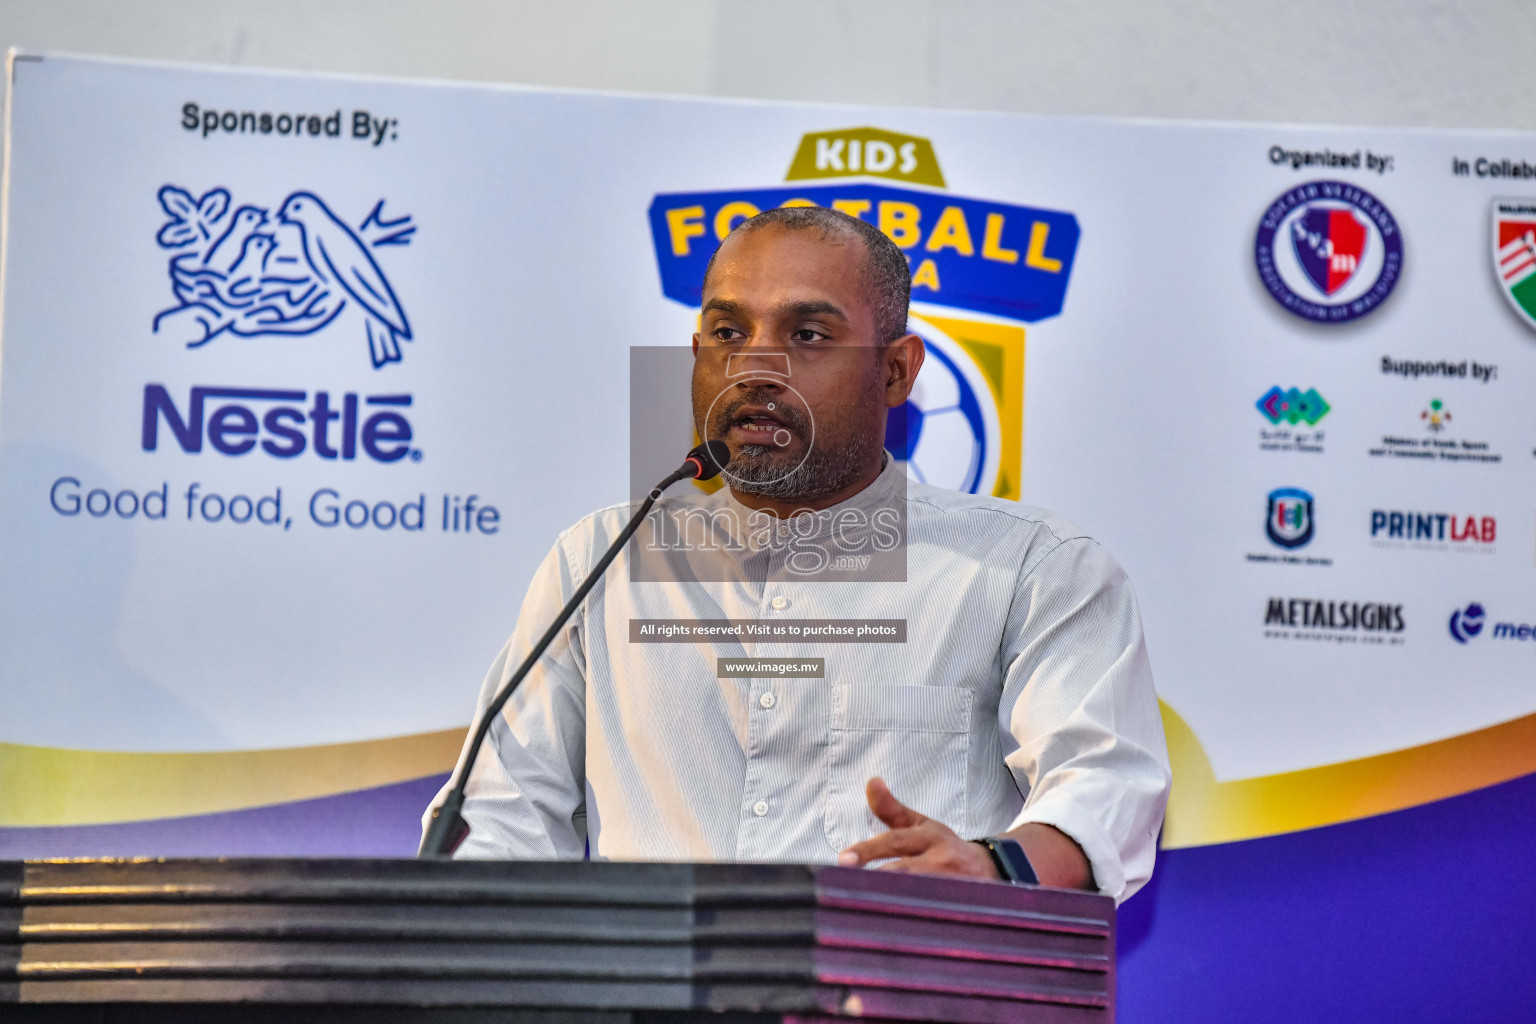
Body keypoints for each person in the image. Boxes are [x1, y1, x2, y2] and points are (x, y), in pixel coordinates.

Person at [425, 207, 1170, 902]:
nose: (756, 367)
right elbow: (500, 812)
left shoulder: (1032, 569)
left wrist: (993, 864)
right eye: (726, 333)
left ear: (896, 372)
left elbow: (1107, 787)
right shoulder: (602, 561)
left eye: (808, 335)